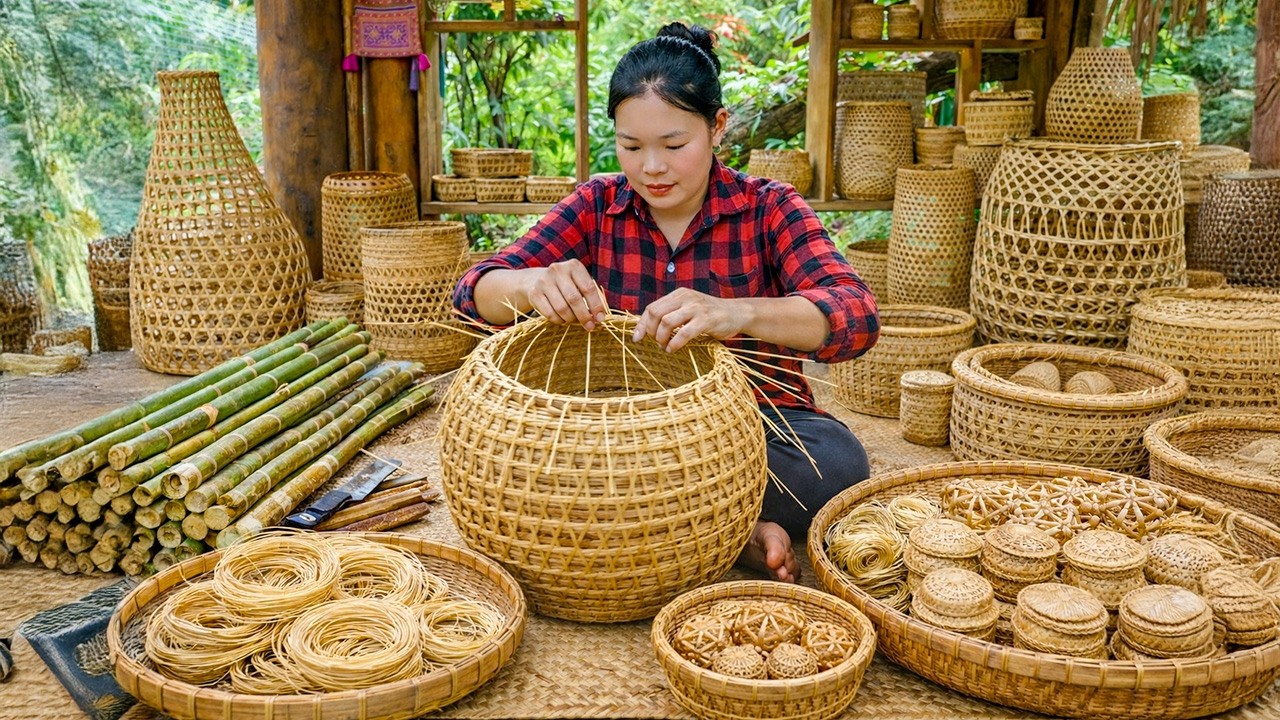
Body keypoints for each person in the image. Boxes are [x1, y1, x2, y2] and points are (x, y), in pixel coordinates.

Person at [452, 22, 879, 583]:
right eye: (631, 146)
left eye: (674, 145)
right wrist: (530, 285)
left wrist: (738, 312)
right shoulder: (597, 205)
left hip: (752, 431)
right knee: (546, 459)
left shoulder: (768, 208)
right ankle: (730, 528)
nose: (651, 167)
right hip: (620, 431)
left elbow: (856, 314)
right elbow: (471, 292)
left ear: (717, 127)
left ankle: (684, 522)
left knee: (840, 464)